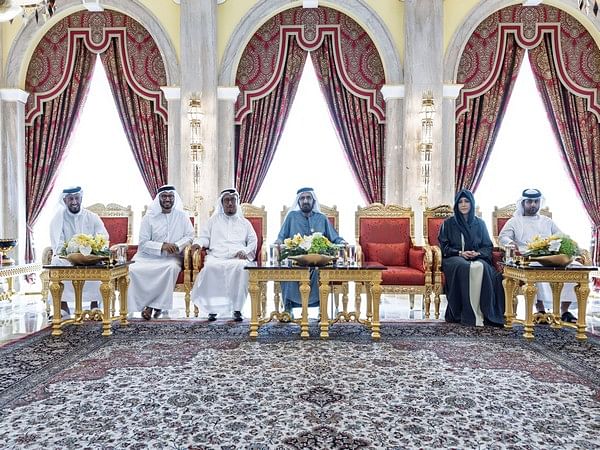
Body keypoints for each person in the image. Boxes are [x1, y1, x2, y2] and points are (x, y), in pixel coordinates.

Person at [498, 188, 578, 323]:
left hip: (551, 255)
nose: (533, 205)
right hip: (527, 256)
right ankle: (540, 310)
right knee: (536, 267)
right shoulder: (515, 221)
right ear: (523, 203)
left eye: (536, 201)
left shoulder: (547, 221)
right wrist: (511, 243)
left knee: (575, 267)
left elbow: (561, 236)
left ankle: (565, 311)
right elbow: (503, 237)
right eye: (529, 202)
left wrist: (571, 246)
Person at [438, 189, 505, 327]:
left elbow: (487, 246)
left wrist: (478, 254)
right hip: (454, 257)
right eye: (460, 202)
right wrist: (460, 253)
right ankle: (466, 314)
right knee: (464, 266)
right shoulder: (448, 223)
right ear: (456, 205)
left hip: (477, 257)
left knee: (481, 266)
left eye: (466, 201)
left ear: (472, 203)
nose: (463, 204)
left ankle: (482, 312)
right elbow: (444, 247)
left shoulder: (480, 224)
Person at [127, 185, 194, 320]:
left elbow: (190, 236)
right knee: (134, 269)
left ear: (174, 198)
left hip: (171, 257)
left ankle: (151, 306)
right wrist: (162, 246)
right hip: (147, 257)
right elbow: (143, 243)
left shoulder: (182, 216)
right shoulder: (149, 217)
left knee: (170, 268)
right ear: (159, 198)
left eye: (170, 196)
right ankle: (150, 305)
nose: (167, 199)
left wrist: (177, 245)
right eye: (164, 196)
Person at [275, 187, 346, 314]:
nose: (305, 201)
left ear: (313, 201)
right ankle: (288, 307)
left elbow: (334, 237)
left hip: (318, 260)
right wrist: (278, 244)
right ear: (298, 202)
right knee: (287, 270)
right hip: (295, 259)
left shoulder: (322, 218)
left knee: (320, 271)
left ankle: (321, 308)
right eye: (302, 198)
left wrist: (342, 242)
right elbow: (281, 237)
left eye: (308, 198)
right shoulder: (291, 216)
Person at [191, 188, 257, 322]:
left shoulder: (244, 222)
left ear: (237, 202)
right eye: (227, 200)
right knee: (210, 268)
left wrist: (244, 251)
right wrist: (198, 243)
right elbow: (204, 237)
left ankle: (237, 309)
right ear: (222, 203)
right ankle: (212, 309)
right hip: (216, 256)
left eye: (233, 200)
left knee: (242, 268)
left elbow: (253, 241)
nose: (230, 203)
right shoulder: (213, 221)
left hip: (237, 258)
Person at [49, 186, 108, 316]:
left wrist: (93, 250)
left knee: (98, 263)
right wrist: (71, 252)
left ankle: (95, 305)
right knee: (56, 262)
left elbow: (103, 237)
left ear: (81, 198)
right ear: (64, 200)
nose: (74, 202)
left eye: (77, 198)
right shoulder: (57, 219)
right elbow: (57, 245)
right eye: (71, 199)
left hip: (89, 255)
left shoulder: (92, 217)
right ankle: (63, 307)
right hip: (67, 257)